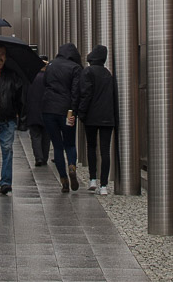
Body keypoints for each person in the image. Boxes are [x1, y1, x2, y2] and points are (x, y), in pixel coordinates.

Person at [35, 43, 83, 193]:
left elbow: (45, 83)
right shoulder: (75, 68)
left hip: (48, 109)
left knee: (57, 145)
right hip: (66, 110)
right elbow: (76, 92)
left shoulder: (51, 66)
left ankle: (63, 179)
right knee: (69, 144)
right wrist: (73, 112)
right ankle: (72, 167)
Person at [73, 45, 119, 194]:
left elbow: (86, 94)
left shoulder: (88, 72)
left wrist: (81, 113)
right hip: (107, 117)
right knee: (105, 151)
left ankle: (93, 179)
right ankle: (104, 185)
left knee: (91, 147)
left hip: (91, 117)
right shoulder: (108, 73)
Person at [0, 45, 25, 194]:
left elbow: (19, 95)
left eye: (2, 54)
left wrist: (19, 114)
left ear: (6, 57)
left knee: (7, 150)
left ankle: (6, 182)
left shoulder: (13, 75)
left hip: (8, 117)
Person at [27, 60, 51, 166]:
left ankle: (38, 158)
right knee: (46, 136)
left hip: (33, 111)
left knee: (35, 136)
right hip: (46, 110)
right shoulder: (49, 79)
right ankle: (45, 157)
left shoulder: (31, 78)